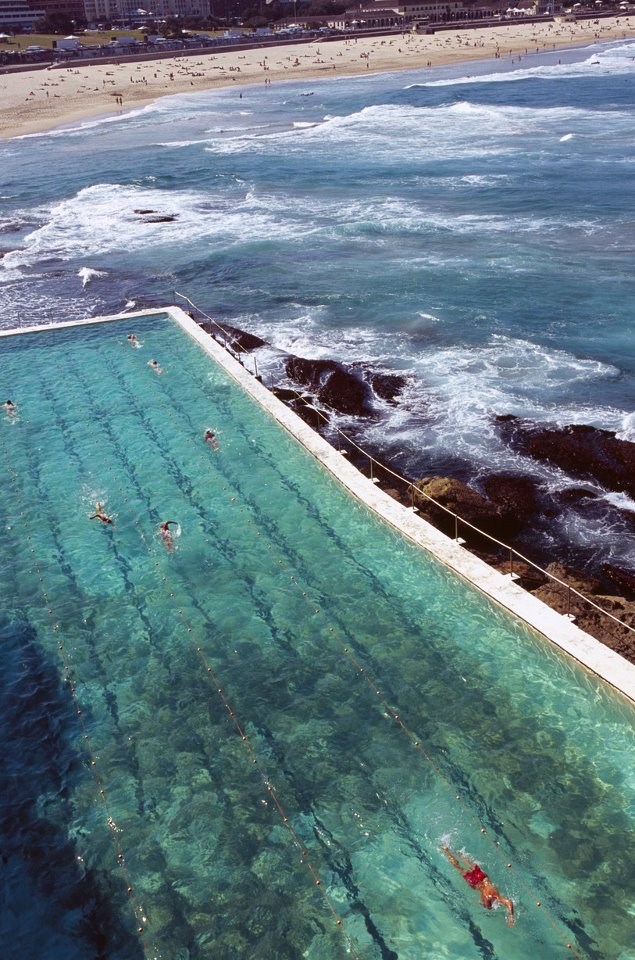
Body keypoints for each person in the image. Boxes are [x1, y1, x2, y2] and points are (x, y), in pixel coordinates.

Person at [442, 847, 514, 926]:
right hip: (476, 882)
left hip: (481, 879)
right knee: (459, 868)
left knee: (466, 863)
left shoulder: (494, 896)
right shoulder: (494, 897)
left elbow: (508, 902)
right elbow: (508, 902)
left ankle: (452, 851)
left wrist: (511, 915)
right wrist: (511, 916)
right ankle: (446, 851)